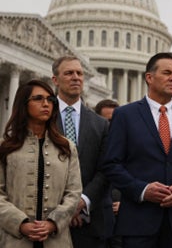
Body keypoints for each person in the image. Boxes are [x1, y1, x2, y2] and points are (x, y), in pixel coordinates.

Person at [102, 52, 172, 248]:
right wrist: (142, 190)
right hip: (137, 223)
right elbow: (111, 164)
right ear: (149, 78)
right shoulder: (125, 115)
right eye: (167, 73)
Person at [0, 79, 82, 247]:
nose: (46, 104)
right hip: (14, 240)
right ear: (23, 104)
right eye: (38, 99)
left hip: (56, 240)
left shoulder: (67, 147)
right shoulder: (5, 146)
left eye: (50, 100)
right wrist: (20, 223)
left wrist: (53, 223)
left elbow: (73, 192)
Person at [51, 55, 113, 248]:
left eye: (79, 73)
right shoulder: (42, 119)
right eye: (69, 73)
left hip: (91, 223)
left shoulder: (101, 124)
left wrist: (82, 202)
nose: (76, 77)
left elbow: (106, 169)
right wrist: (63, 210)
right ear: (55, 80)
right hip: (48, 221)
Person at [94, 99, 121, 248]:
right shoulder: (90, 147)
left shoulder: (132, 148)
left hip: (123, 226)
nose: (110, 126)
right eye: (107, 121)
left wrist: (126, 204)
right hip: (95, 223)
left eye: (114, 121)